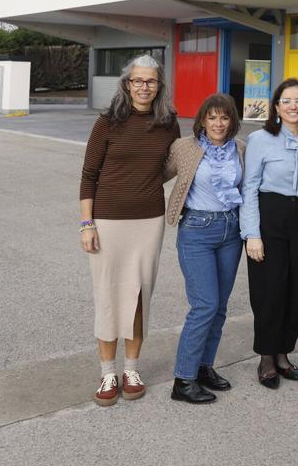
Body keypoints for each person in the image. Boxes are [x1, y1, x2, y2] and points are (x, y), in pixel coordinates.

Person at [79, 54, 180, 406]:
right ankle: (108, 373)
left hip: (148, 222)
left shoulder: (169, 123)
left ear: (159, 85)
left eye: (150, 81)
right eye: (137, 80)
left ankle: (131, 369)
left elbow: (173, 165)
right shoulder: (107, 122)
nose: (143, 87)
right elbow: (88, 176)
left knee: (139, 297)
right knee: (108, 295)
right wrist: (86, 223)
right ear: (126, 84)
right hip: (107, 222)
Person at [163, 93, 245, 403]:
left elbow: (247, 189)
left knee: (220, 306)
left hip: (231, 231)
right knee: (205, 305)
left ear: (232, 121)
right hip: (197, 230)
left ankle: (203, 367)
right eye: (212, 117)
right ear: (202, 120)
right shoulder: (185, 147)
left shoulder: (240, 149)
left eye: (224, 117)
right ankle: (183, 379)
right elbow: (155, 175)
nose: (218, 123)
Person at [240, 78, 298, 388]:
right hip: (270, 216)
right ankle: (265, 356)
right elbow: (249, 188)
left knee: (296, 288)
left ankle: (284, 353)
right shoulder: (260, 139)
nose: (292, 106)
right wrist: (252, 234)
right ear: (276, 107)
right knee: (268, 290)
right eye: (286, 101)